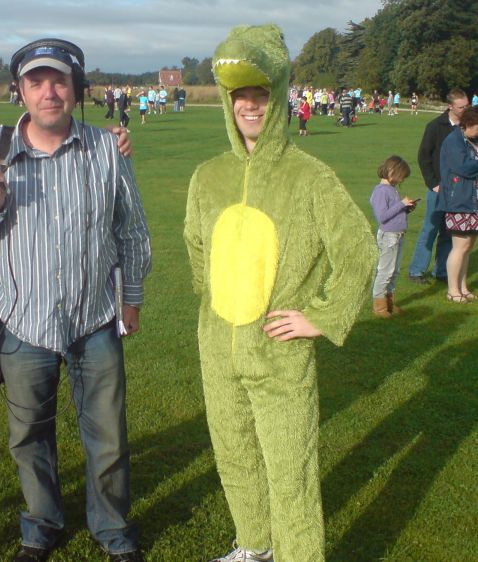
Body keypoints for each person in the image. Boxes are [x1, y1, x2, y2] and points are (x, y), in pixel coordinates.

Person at [184, 25, 376, 562]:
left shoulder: (309, 176)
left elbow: (359, 250)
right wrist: (213, 309)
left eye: (260, 94)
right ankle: (254, 544)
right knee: (235, 456)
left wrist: (322, 315)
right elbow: (196, 248)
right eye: (240, 95)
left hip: (279, 354)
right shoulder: (208, 177)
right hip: (218, 349)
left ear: (280, 98)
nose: (249, 105)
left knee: (290, 467)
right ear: (227, 101)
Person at [0, 38, 151, 562]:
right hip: (24, 322)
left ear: (76, 89)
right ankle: (40, 527)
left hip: (95, 319)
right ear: (19, 90)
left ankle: (112, 530)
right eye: (36, 82)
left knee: (108, 436)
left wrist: (130, 299)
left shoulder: (107, 149)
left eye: (59, 81)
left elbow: (131, 231)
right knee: (29, 437)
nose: (49, 92)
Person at [407, 89, 470, 284]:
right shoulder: (435, 126)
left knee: (448, 231)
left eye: (467, 105)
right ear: (450, 106)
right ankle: (416, 270)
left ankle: (442, 271)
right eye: (462, 107)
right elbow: (423, 157)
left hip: (459, 190)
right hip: (439, 188)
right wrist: (433, 183)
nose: (466, 109)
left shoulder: (469, 126)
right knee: (430, 228)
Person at [435, 106, 478, 303]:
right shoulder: (454, 141)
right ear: (469, 124)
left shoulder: (471, 140)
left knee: (468, 245)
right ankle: (452, 290)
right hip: (458, 200)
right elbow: (463, 168)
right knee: (459, 246)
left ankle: (463, 286)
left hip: (472, 200)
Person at [370, 156, 417, 317]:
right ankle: (379, 306)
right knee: (385, 271)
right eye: (401, 177)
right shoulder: (380, 191)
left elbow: (394, 212)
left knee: (394, 271)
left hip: (398, 235)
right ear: (392, 171)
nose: (401, 180)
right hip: (388, 236)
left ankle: (389, 302)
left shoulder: (391, 189)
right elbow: (382, 216)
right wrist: (401, 204)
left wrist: (407, 208)